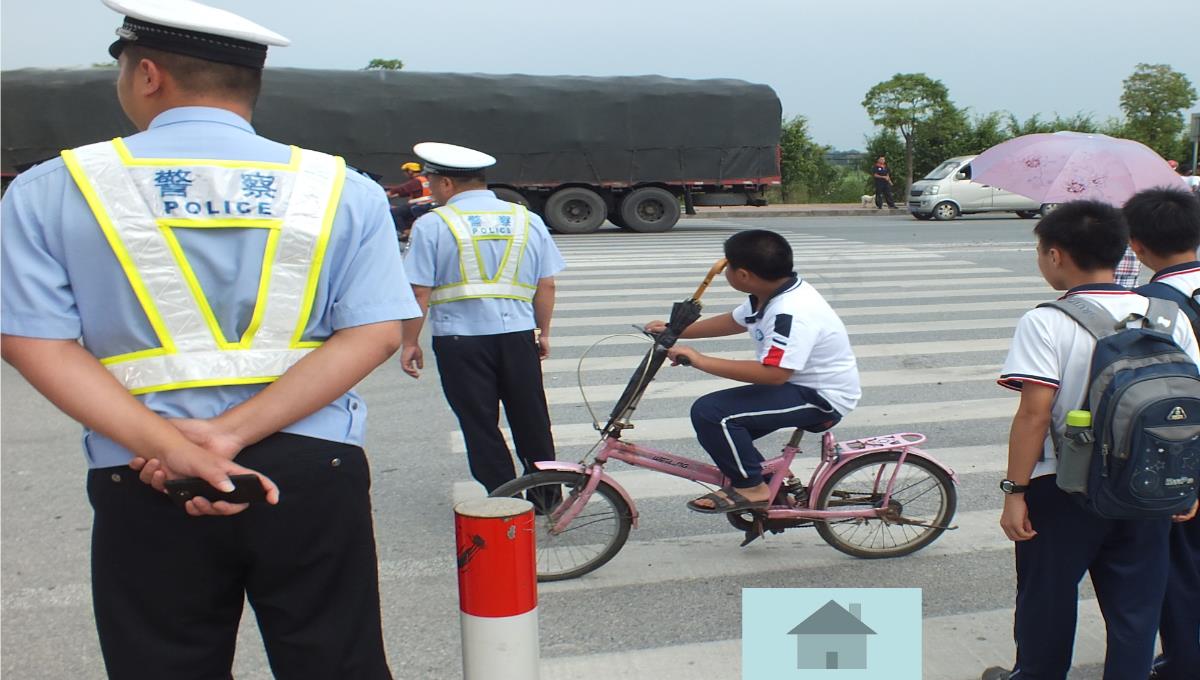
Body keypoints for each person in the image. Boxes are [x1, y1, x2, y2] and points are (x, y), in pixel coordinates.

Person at [0, 1, 421, 677]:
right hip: (313, 469)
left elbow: (34, 342)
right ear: (249, 85)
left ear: (146, 76)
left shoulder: (54, 188)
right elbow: (372, 332)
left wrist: (174, 447)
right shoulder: (341, 189)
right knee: (335, 663)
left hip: (145, 472)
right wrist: (228, 437)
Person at [984, 200, 1200, 680]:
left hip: (1061, 487)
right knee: (1135, 611)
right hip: (1148, 484)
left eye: (1041, 251)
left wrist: (1014, 492)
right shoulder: (1168, 315)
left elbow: (1035, 414)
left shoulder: (1046, 321)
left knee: (1048, 599)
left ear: (1056, 256)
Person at [645, 230, 861, 512]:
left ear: (744, 275)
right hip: (795, 386)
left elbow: (774, 374)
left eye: (729, 267)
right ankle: (768, 479)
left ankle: (752, 487)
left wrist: (699, 360)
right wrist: (676, 331)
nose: (726, 272)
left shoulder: (791, 312)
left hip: (820, 396)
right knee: (717, 425)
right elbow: (734, 321)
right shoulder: (768, 294)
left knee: (713, 414)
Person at [399, 142, 564, 493]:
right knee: (532, 419)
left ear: (445, 184)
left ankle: (506, 500)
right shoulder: (527, 219)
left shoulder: (432, 224)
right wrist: (543, 332)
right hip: (519, 336)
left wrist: (410, 342)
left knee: (479, 423)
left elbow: (419, 292)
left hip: (460, 341)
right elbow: (546, 284)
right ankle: (547, 496)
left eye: (431, 182)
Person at [1123, 187, 1200, 680]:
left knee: (1183, 565)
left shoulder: (1153, 304)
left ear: (1136, 245)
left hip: (1186, 446)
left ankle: (1184, 663)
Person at [388, 161, 435, 241]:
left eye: (405, 172)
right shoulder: (425, 179)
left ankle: (406, 232)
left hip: (419, 204)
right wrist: (398, 194)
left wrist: (390, 192)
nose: (404, 174)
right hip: (426, 204)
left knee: (394, 212)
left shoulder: (416, 181)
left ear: (410, 171)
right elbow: (409, 192)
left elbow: (402, 189)